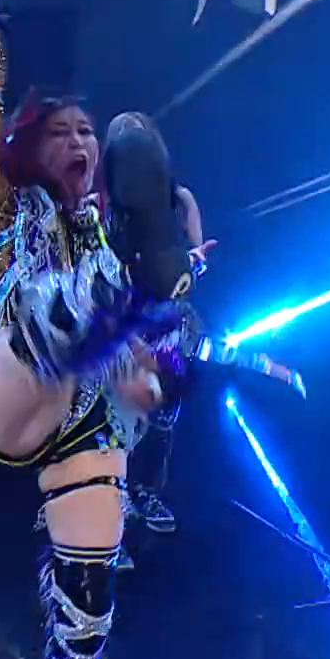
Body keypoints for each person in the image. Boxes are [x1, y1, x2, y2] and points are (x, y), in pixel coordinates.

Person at [0, 0, 193, 659]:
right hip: (14, 389)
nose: (81, 139)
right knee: (72, 314)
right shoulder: (4, 203)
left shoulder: (110, 233)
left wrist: (159, 372)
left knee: (93, 569)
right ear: (31, 145)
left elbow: (147, 374)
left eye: (88, 130)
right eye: (63, 130)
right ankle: (107, 321)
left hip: (87, 414)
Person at [103, 113, 215, 556]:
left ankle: (144, 493)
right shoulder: (105, 207)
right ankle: (110, 508)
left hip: (167, 320)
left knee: (162, 419)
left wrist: (195, 255)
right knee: (117, 418)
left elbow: (192, 241)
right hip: (125, 323)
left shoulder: (175, 197)